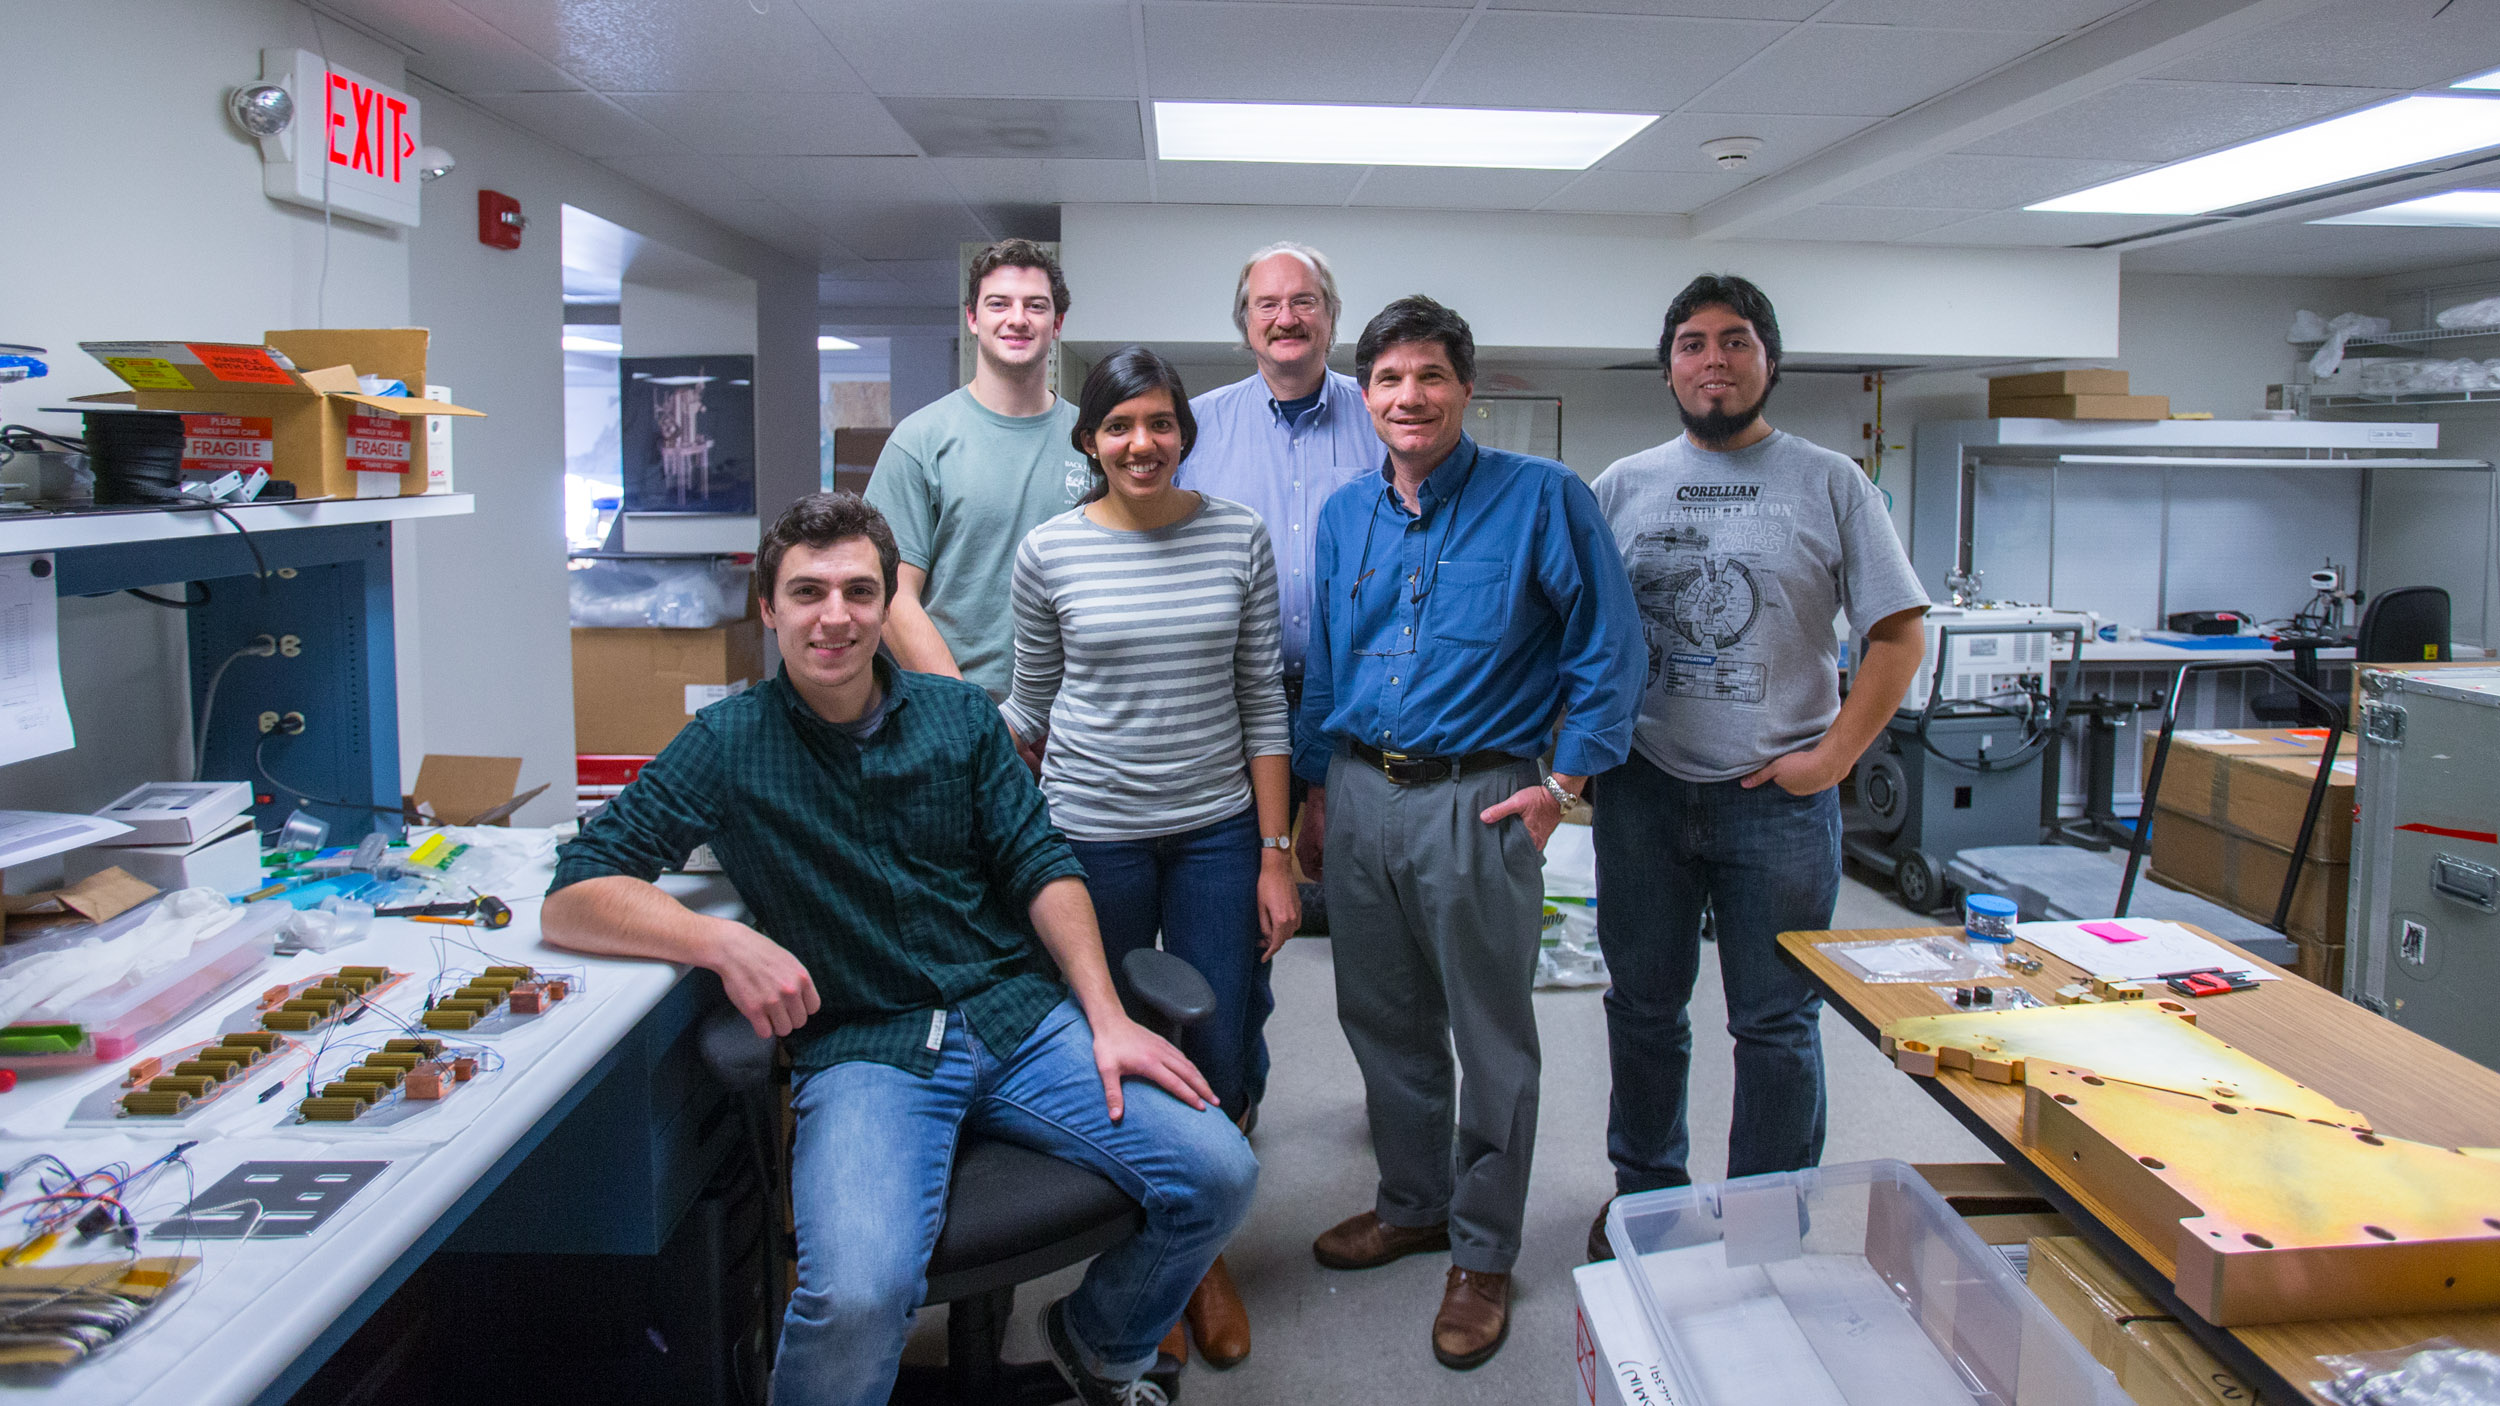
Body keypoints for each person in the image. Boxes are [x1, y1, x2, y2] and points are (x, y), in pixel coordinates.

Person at [541, 492, 1257, 1406]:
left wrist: (1107, 1017)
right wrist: (717, 939)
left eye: (857, 591)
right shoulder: (728, 743)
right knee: (858, 1295)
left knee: (1220, 1173)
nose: (833, 617)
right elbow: (574, 891)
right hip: (868, 1048)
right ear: (769, 609)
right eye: (807, 593)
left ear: (887, 605)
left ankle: (1099, 1344)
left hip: (1018, 1021)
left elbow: (1042, 864)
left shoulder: (959, 720)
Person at [1294, 295, 1643, 1370]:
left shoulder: (1542, 499)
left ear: (1464, 387)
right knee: (1381, 1018)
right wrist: (1311, 793)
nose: (1409, 396)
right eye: (1389, 378)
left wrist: (1562, 787)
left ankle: (1482, 1250)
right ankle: (1413, 1202)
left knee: (1489, 1037)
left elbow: (1607, 650)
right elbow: (1326, 666)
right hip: (1359, 794)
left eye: (1429, 376)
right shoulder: (1344, 514)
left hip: (1480, 797)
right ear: (1367, 395)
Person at [1583, 274, 1929, 1262]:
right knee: (1643, 1009)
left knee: (1774, 1022)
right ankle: (1646, 1200)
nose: (1712, 361)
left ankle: (1768, 1221)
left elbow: (1898, 635)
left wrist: (1832, 757)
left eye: (1734, 341)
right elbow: (1582, 633)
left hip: (1775, 800)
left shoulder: (1831, 481)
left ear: (1767, 359)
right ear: (1668, 367)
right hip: (1645, 787)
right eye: (1691, 343)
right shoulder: (1621, 485)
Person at [1001, 345, 1296, 1371]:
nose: (1141, 442)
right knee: (1116, 1048)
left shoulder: (1235, 537)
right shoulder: (1049, 551)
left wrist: (1272, 851)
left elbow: (1264, 698)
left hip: (1217, 825)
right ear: (1090, 439)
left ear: (1184, 431)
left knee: (1217, 1044)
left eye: (1159, 422)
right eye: (1119, 425)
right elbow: (1030, 709)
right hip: (1090, 828)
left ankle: (1199, 1249)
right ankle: (1146, 1253)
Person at [1174, 241, 1384, 1125]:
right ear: (1245, 324)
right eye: (1268, 304)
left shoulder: (1383, 418)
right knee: (1242, 909)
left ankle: (1399, 1107)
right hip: (1234, 699)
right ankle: (1237, 1094)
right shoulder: (1198, 425)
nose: (1286, 317)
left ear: (1331, 317)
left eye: (1304, 302)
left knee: (1374, 911)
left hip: (1361, 695)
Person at [867, 237, 1092, 701]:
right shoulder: (920, 442)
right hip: (957, 714)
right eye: (998, 304)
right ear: (972, 317)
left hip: (1080, 722)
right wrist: (975, 721)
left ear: (1058, 323)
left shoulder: (1093, 441)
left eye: (1035, 305)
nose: (1017, 318)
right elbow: (891, 597)